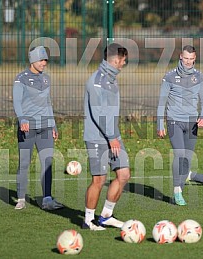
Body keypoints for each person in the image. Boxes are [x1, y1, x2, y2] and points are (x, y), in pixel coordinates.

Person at [82, 43, 130, 231]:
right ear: (116, 60)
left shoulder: (111, 79)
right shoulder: (96, 80)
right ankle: (88, 220)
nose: (124, 64)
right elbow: (98, 112)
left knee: (123, 174)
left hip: (113, 136)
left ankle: (106, 216)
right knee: (99, 180)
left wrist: (114, 135)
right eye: (123, 60)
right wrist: (111, 137)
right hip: (98, 138)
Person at [156, 45, 203, 206]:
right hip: (174, 121)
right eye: (186, 58)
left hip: (192, 122)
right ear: (180, 56)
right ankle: (177, 190)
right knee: (179, 154)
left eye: (191, 59)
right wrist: (160, 123)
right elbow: (161, 102)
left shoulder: (200, 77)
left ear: (195, 59)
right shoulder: (169, 77)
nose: (188, 62)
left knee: (187, 157)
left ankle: (181, 184)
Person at [13, 46, 63, 210]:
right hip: (28, 128)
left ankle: (47, 199)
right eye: (42, 60)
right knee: (25, 163)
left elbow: (48, 103)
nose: (44, 63)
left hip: (45, 128)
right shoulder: (21, 79)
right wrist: (22, 120)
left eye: (45, 60)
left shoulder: (46, 79)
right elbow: (17, 102)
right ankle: (21, 199)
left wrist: (53, 124)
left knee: (47, 162)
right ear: (33, 60)